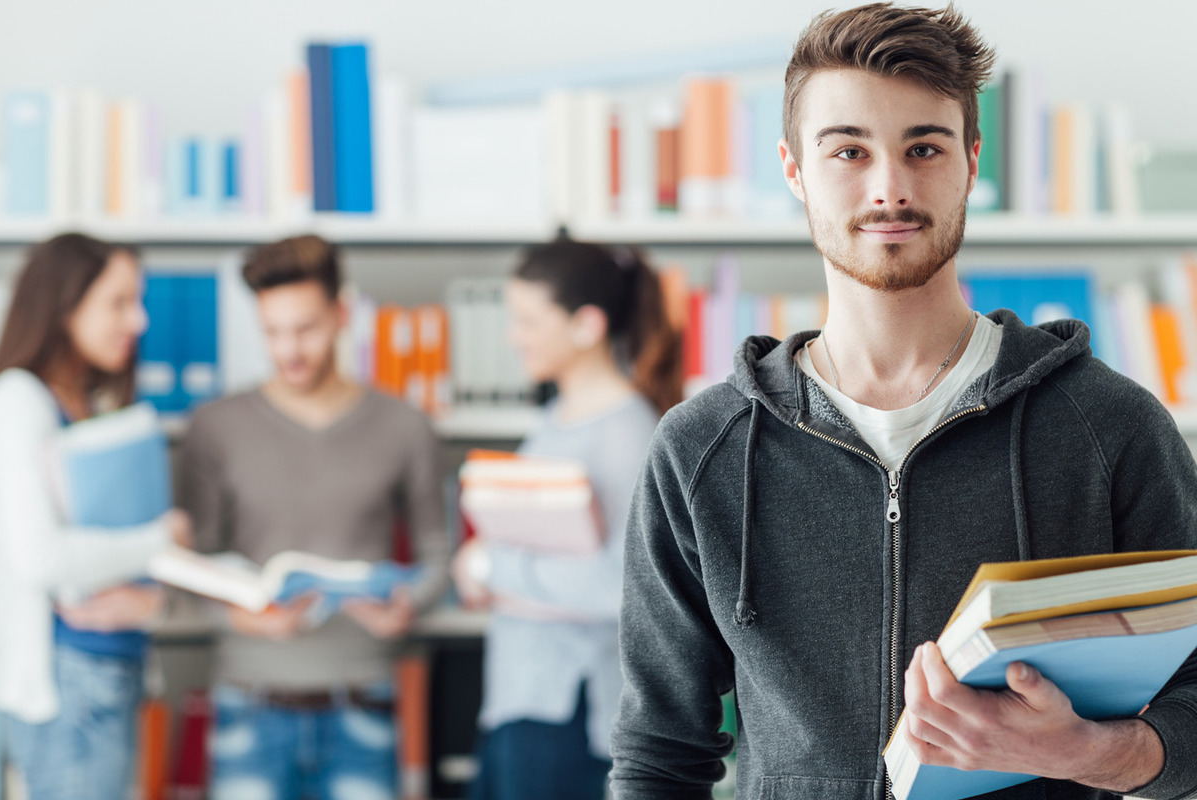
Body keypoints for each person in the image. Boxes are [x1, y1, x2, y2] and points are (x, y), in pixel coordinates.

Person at [609, 5, 1197, 800]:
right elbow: (657, 752)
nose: (890, 187)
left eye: (924, 147)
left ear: (971, 161)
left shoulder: (1109, 427)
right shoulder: (700, 448)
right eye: (848, 150)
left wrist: (1092, 752)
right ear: (794, 169)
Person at [177, 234, 450, 800]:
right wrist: (238, 617)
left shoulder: (404, 427)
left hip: (364, 697)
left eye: (305, 329)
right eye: (272, 332)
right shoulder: (215, 427)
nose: (288, 349)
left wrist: (408, 606)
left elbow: (437, 554)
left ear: (342, 314)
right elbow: (193, 564)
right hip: (248, 697)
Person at [452, 237, 682, 800]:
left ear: (586, 325)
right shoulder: (554, 419)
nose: (514, 337)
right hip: (523, 696)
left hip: (571, 708)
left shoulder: (626, 431)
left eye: (529, 322)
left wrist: (489, 569)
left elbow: (618, 589)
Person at [0, 232, 192, 800]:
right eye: (119, 302)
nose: (138, 321)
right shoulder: (19, 400)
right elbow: (42, 557)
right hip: (70, 683)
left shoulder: (95, 405)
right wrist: (159, 542)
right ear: (64, 305)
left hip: (111, 669)